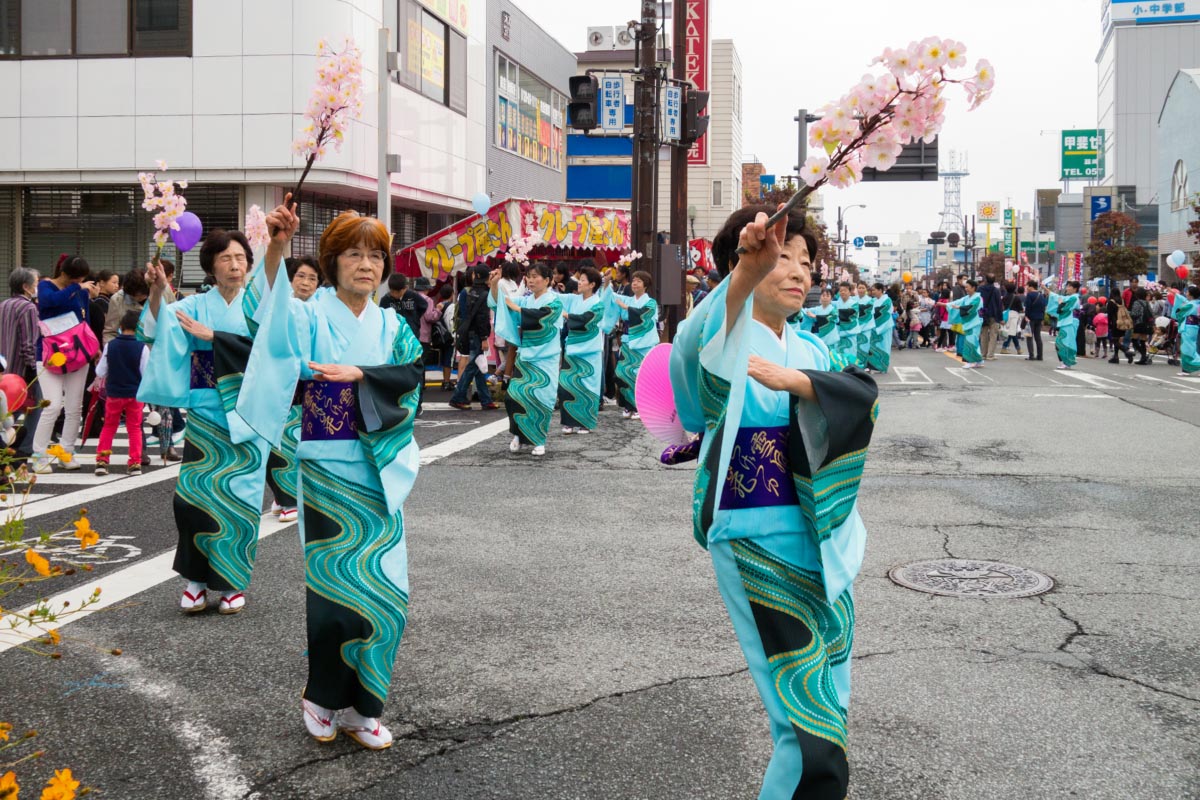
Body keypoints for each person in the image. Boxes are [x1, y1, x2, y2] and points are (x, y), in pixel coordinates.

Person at [670, 204, 877, 800]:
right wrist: (740, 277)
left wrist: (803, 384)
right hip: (755, 536)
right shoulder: (722, 330)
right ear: (746, 260)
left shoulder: (811, 350)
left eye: (806, 260)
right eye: (781, 256)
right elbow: (696, 352)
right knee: (804, 717)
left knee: (829, 705)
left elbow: (861, 397)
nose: (798, 270)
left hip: (819, 540)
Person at [236, 202, 425, 750]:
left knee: (389, 595)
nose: (365, 265)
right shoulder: (309, 312)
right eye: (353, 254)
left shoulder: (392, 322)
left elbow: (411, 372)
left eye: (375, 256)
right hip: (324, 471)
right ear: (333, 261)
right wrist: (273, 247)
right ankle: (322, 698)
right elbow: (263, 317)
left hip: (379, 469)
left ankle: (365, 706)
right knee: (336, 592)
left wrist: (362, 373)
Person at [137, 230, 270, 616]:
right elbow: (159, 332)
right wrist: (160, 291)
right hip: (206, 413)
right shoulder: (194, 305)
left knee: (240, 500)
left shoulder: (260, 307)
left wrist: (215, 337)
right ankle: (195, 579)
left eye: (241, 258)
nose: (235, 265)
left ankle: (231, 581)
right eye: (226, 258)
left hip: (247, 416)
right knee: (194, 497)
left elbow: (272, 349)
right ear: (211, 265)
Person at [263, 256, 320, 524]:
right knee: (279, 441)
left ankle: (283, 495)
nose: (307, 283)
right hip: (279, 382)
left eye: (312, 278)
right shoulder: (277, 305)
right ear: (289, 279)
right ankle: (285, 497)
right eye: (301, 276)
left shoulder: (322, 308)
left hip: (312, 383)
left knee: (299, 441)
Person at [31, 255, 99, 474]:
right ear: (66, 274)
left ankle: (66, 452)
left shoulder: (79, 290)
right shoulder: (45, 286)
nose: (79, 281)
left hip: (78, 352)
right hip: (50, 354)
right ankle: (39, 456)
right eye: (77, 278)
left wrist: (93, 346)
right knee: (51, 406)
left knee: (74, 407)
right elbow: (49, 303)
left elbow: (84, 318)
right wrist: (77, 287)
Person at [490, 262, 563, 456]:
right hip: (526, 356)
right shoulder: (526, 300)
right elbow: (503, 303)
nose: (531, 280)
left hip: (546, 358)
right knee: (514, 395)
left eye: (535, 276)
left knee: (540, 398)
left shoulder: (554, 301)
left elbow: (543, 317)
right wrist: (495, 284)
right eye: (528, 276)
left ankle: (539, 440)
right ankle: (518, 435)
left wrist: (519, 310)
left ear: (547, 280)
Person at [94, 310, 147, 476]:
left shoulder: (111, 345)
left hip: (114, 393)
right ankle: (134, 463)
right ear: (139, 327)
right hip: (135, 393)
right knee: (134, 428)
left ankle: (102, 461)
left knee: (109, 426)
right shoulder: (142, 347)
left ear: (121, 326)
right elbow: (145, 373)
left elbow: (100, 371)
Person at [558, 267, 607, 435]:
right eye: (580, 279)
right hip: (572, 349)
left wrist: (567, 316)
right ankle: (569, 422)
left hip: (590, 352)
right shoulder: (574, 299)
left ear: (592, 284)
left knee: (587, 387)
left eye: (583, 280)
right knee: (567, 385)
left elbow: (587, 321)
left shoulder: (598, 304)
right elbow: (554, 299)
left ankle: (585, 422)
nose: (579, 282)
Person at [0, 268, 41, 460]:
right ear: (26, 287)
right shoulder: (29, 308)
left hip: (4, 367)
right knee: (35, 406)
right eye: (35, 283)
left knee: (7, 409)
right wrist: (33, 368)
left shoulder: (4, 305)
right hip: (21, 369)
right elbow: (28, 343)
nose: (36, 287)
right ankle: (25, 447)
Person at [449, 266, 500, 411]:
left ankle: (486, 400)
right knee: (472, 367)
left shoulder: (470, 292)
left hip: (469, 332)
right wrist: (484, 337)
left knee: (477, 367)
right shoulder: (485, 294)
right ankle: (458, 397)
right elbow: (482, 318)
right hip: (478, 335)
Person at [612, 270, 659, 421]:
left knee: (639, 375)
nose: (635, 283)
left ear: (645, 285)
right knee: (621, 373)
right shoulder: (629, 300)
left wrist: (626, 308)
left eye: (638, 281)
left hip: (644, 343)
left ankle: (639, 407)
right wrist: (605, 283)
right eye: (633, 280)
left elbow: (644, 314)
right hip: (628, 341)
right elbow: (611, 297)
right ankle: (629, 405)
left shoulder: (650, 302)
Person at [941, 279, 983, 368]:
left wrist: (959, 307)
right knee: (972, 342)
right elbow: (957, 302)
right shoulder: (966, 298)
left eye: (968, 287)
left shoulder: (978, 298)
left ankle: (970, 361)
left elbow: (971, 308)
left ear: (973, 288)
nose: (966, 289)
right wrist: (945, 305)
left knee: (971, 342)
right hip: (968, 323)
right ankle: (978, 360)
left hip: (974, 323)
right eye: (965, 287)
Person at [1046, 281, 1082, 370]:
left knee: (1062, 342)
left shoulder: (1074, 298)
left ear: (1075, 289)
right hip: (1068, 322)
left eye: (1069, 286)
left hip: (1070, 322)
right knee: (1064, 342)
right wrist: (1046, 289)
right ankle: (1066, 362)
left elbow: (1064, 307)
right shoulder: (1071, 298)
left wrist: (1061, 304)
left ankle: (1065, 362)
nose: (1067, 288)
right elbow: (1058, 298)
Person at [1170, 285, 1200, 375]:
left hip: (1188, 327)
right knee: (1190, 347)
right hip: (1194, 327)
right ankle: (1186, 369)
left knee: (1187, 348)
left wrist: (1179, 309)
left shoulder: (1190, 305)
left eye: (1187, 292)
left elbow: (1179, 313)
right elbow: (1184, 300)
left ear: (1190, 294)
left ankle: (1188, 368)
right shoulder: (1196, 303)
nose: (1186, 294)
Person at [867, 282, 894, 373]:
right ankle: (874, 366)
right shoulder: (873, 300)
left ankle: (882, 367)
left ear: (880, 290)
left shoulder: (887, 300)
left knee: (884, 346)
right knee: (873, 346)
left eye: (874, 290)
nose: (872, 291)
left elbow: (885, 313)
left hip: (884, 327)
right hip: (874, 327)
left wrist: (876, 322)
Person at [977, 274, 1003, 361]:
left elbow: (977, 301)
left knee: (983, 334)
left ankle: (983, 354)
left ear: (985, 280)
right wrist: (1000, 318)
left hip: (983, 314)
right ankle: (990, 354)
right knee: (993, 335)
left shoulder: (980, 289)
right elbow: (999, 305)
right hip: (994, 314)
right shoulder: (996, 290)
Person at [1106, 292, 1135, 364]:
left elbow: (1109, 315)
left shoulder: (1111, 302)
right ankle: (1116, 356)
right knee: (1118, 339)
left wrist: (1109, 324)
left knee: (1114, 340)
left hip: (1115, 323)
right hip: (1123, 323)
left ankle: (1126, 350)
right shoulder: (1122, 300)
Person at [833, 282, 859, 361]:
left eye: (845, 290)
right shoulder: (836, 304)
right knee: (839, 355)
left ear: (850, 292)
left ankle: (850, 372)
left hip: (850, 334)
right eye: (841, 291)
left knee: (850, 354)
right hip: (838, 334)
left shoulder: (854, 303)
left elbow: (851, 316)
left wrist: (836, 314)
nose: (842, 292)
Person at [1023, 281, 1046, 361]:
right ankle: (1040, 356)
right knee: (1038, 337)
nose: (1027, 288)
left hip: (1031, 318)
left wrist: (1026, 315)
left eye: (1027, 286)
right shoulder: (1041, 295)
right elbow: (1044, 307)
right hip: (1039, 318)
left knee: (1029, 337)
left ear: (1031, 286)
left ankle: (1031, 355)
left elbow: (1027, 306)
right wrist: (1042, 317)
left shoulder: (1030, 295)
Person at [1000, 285, 1025, 355]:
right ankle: (1005, 347)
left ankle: (1018, 349)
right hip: (1014, 315)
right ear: (1014, 289)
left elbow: (1002, 306)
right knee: (1012, 332)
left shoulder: (1004, 297)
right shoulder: (1016, 298)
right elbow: (1020, 308)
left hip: (1006, 315)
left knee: (1010, 332)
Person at [854, 282, 874, 369]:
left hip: (866, 327)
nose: (861, 290)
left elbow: (869, 314)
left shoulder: (870, 300)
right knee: (856, 346)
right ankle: (856, 364)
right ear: (857, 289)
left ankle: (864, 364)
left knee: (865, 345)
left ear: (866, 289)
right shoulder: (853, 299)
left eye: (863, 288)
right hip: (855, 327)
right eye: (859, 288)